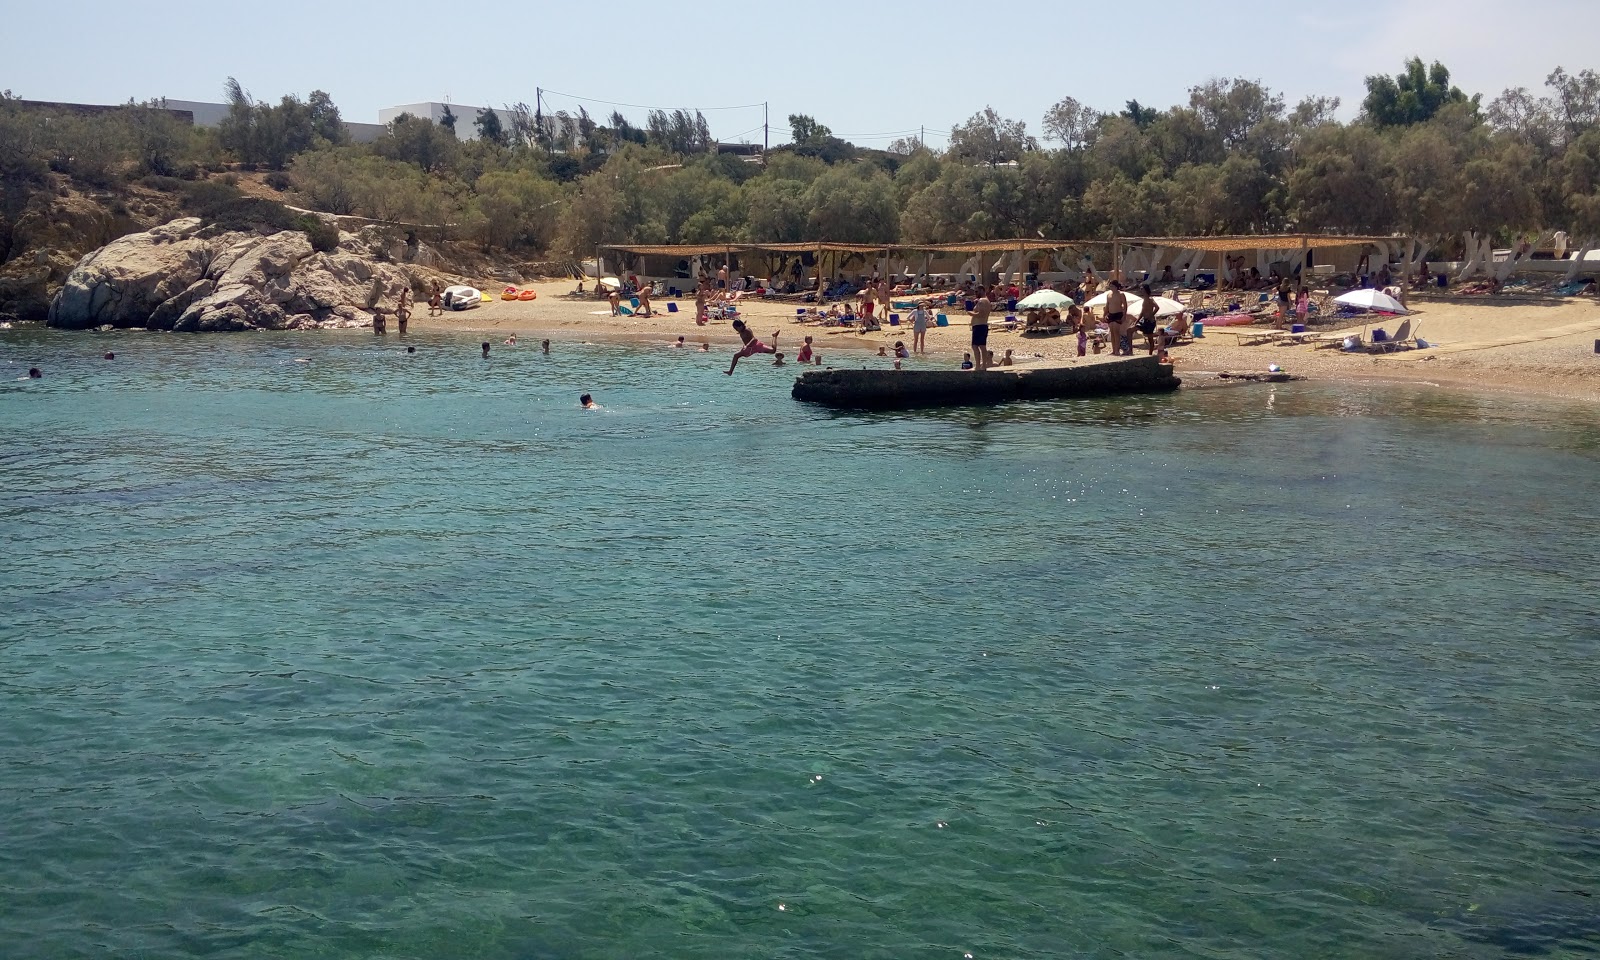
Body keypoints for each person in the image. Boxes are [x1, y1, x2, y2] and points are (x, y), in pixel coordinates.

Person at [1104, 281, 1128, 356]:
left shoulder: (1121, 294)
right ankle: (1113, 350)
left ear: (1116, 286)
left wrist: (1124, 315)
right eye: (1110, 286)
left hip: (1118, 314)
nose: (1111, 287)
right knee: (1112, 333)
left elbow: (1125, 305)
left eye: (1112, 286)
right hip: (1111, 314)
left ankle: (1117, 350)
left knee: (1116, 333)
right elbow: (1107, 305)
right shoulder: (1108, 295)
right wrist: (1104, 314)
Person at [1136, 284, 1160, 355]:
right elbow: (1142, 311)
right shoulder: (1144, 299)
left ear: (1145, 290)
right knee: (1130, 330)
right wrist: (1137, 320)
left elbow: (1157, 307)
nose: (1141, 290)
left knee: (1150, 338)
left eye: (1142, 289)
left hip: (1150, 321)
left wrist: (1151, 315)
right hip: (1144, 320)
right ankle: (1130, 350)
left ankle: (1150, 353)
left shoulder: (1150, 299)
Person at [970, 294, 992, 370]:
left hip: (979, 326)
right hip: (980, 326)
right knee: (980, 346)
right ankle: (982, 365)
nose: (976, 293)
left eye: (977, 291)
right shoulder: (986, 301)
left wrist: (971, 314)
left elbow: (981, 314)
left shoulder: (982, 300)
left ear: (981, 291)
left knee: (977, 346)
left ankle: (979, 366)